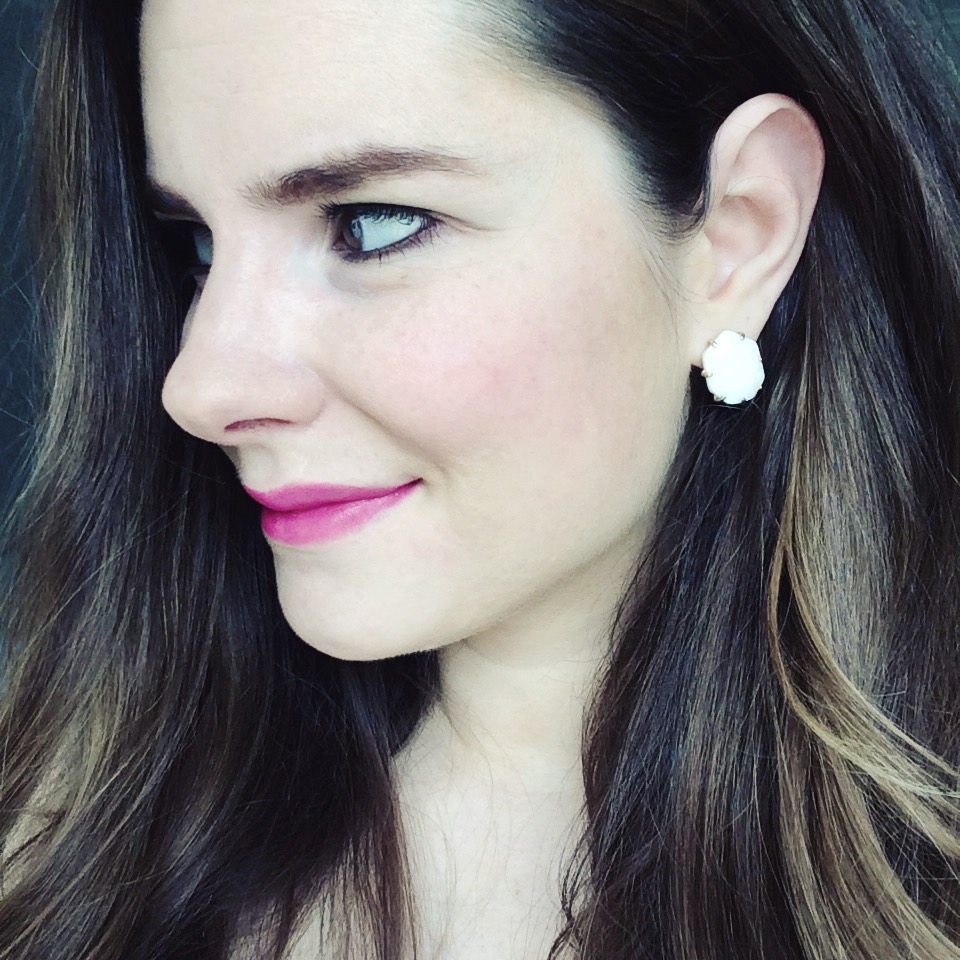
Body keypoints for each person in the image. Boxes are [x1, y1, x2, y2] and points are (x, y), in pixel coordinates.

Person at [1, 0, 958, 957]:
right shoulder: (64, 869)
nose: (202, 387)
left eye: (371, 226)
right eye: (198, 246)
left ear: (741, 231)